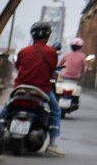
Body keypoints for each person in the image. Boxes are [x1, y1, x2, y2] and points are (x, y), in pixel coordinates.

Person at [12, 21, 62, 156]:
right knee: (56, 111)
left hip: (21, 87)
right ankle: (53, 144)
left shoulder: (23, 51)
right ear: (48, 36)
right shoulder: (52, 52)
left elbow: (18, 67)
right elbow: (52, 71)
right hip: (42, 89)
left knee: (7, 108)